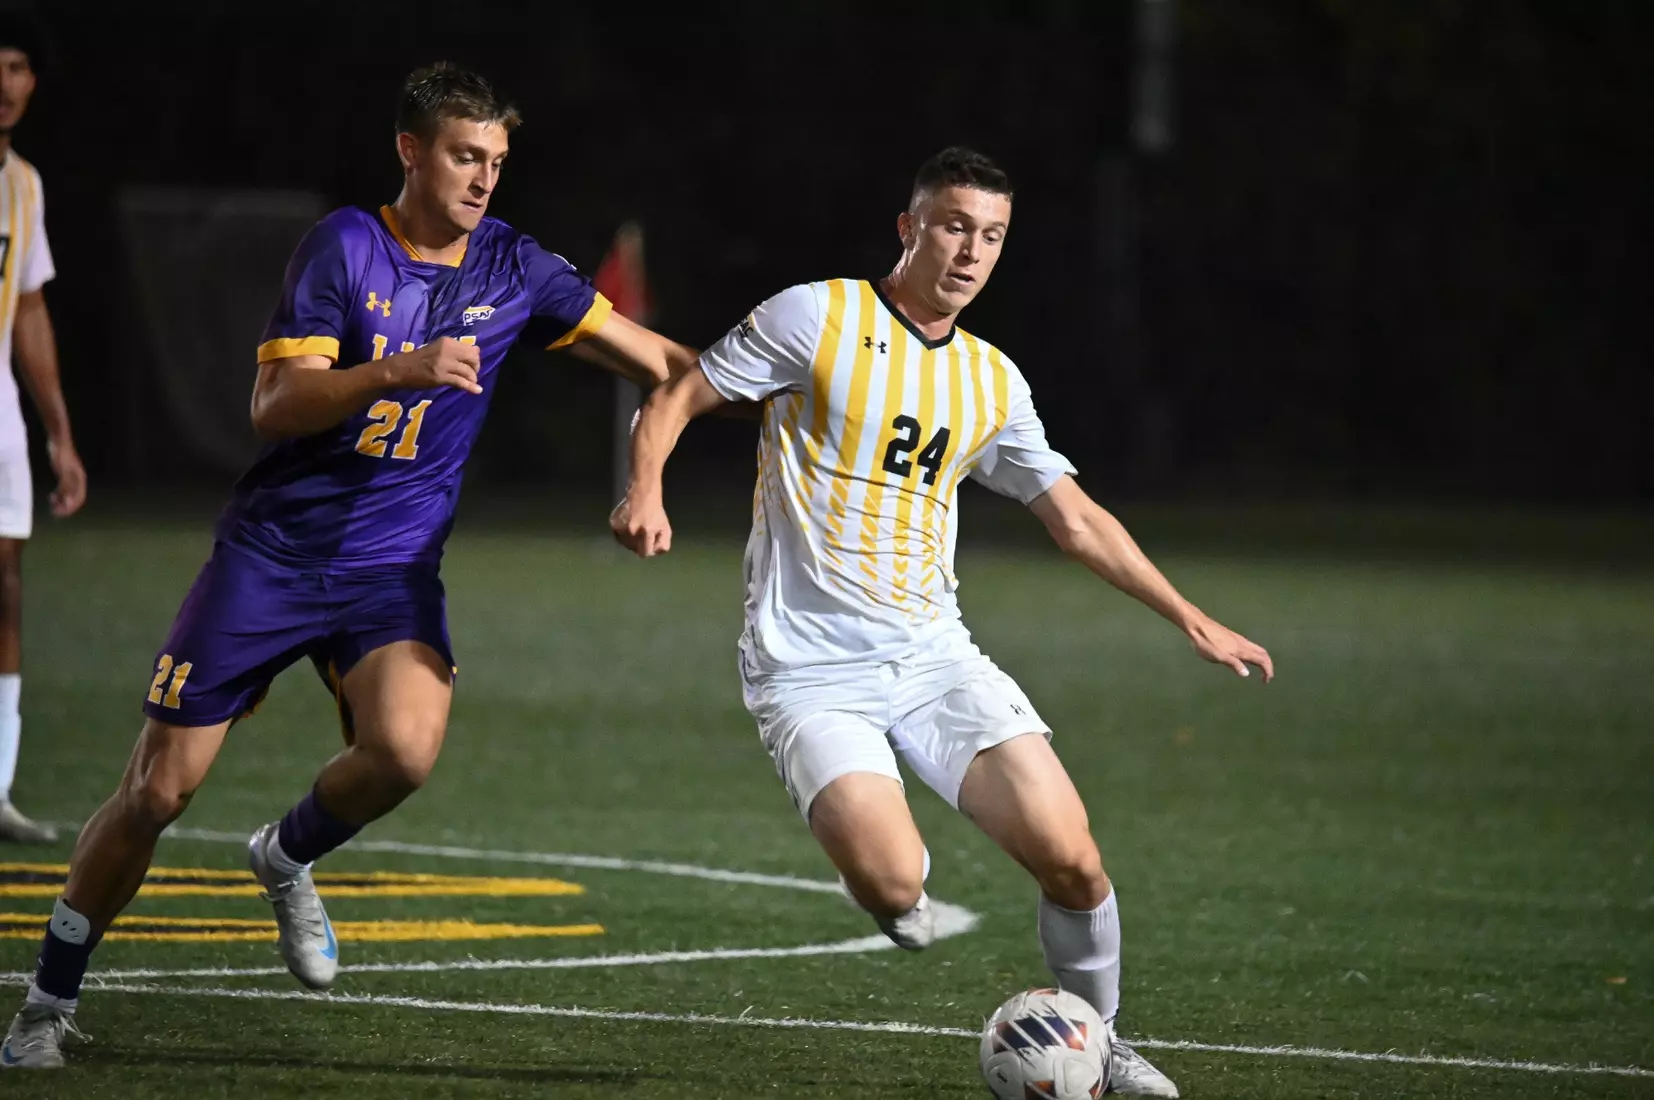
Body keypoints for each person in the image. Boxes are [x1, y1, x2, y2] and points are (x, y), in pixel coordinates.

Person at [1, 61, 701, 1069]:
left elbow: (671, 367)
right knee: (156, 791)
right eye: (465, 155)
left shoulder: (514, 267)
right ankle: (43, 1003)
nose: (483, 178)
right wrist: (397, 369)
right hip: (273, 554)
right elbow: (273, 407)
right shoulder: (343, 246)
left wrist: (650, 477)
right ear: (410, 151)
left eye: (497, 161)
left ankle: (284, 854)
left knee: (407, 749)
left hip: (392, 568)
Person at [611, 146, 1275, 1098]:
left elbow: (1076, 518)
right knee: (894, 888)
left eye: (992, 235)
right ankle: (888, 884)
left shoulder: (991, 382)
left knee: (1074, 858)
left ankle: (1098, 1038)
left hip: (932, 658)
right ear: (909, 227)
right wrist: (646, 489)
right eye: (955, 225)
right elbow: (681, 391)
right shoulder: (819, 316)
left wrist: (1190, 616)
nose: (970, 251)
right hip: (809, 670)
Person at [0, 15, 86, 845]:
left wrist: (58, 432)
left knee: (7, 586)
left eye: (19, 65)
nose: (7, 82)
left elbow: (29, 308)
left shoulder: (23, 183)